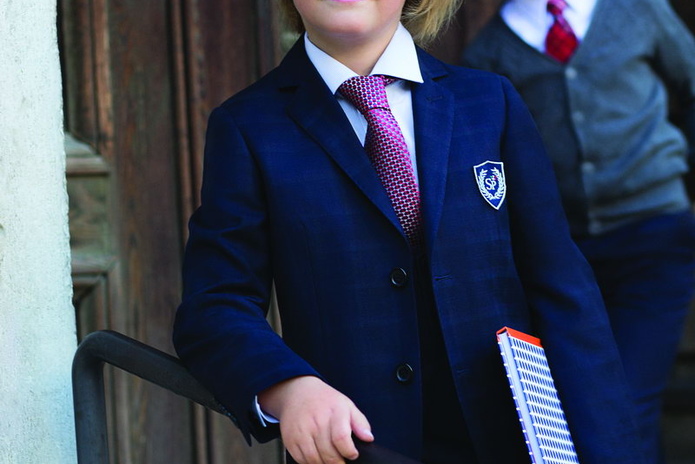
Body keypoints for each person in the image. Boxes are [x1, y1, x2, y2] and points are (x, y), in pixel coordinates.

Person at [173, 0, 645, 463]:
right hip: (362, 447)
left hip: (513, 441)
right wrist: (289, 388)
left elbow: (564, 293)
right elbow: (215, 305)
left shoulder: (490, 102)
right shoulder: (248, 126)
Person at [462, 0, 695, 462]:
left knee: (631, 395)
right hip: (563, 254)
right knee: (594, 399)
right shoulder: (491, 50)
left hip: (654, 234)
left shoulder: (638, 10)